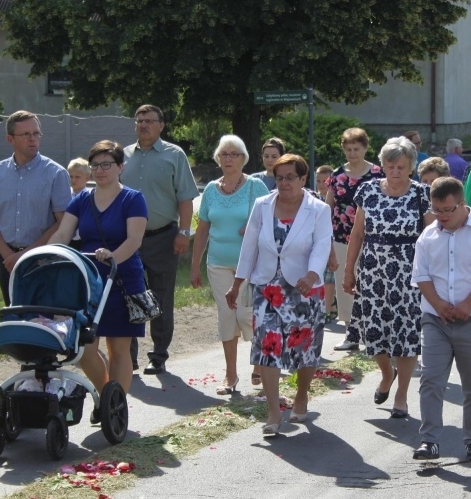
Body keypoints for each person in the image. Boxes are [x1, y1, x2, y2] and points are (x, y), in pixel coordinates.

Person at [226, 154, 331, 436]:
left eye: (290, 177)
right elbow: (249, 246)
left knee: (304, 348)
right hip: (268, 286)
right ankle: (273, 411)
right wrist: (237, 283)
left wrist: (312, 275)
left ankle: (301, 395)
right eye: (279, 178)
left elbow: (322, 245)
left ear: (303, 179)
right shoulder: (262, 205)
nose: (284, 183)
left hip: (304, 287)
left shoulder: (318, 209)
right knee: (267, 346)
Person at [48, 140, 147, 403]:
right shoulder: (81, 200)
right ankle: (108, 400)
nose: (100, 170)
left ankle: (115, 407)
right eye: (95, 165)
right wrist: (45, 255)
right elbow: (63, 234)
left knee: (119, 349)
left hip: (122, 279)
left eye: (106, 164)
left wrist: (113, 257)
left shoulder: (133, 199)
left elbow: (134, 240)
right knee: (84, 349)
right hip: (88, 281)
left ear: (120, 167)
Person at [343, 136, 433, 420]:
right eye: (390, 166)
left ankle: (401, 395)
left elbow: (432, 237)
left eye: (401, 167)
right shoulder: (368, 190)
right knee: (373, 331)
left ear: (411, 167)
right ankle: (386, 373)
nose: (395, 171)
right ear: (382, 165)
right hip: (372, 271)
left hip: (408, 273)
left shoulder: (421, 194)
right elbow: (358, 233)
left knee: (406, 334)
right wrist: (348, 270)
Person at [411, 177, 471, 462]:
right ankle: (429, 441)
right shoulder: (428, 236)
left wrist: (467, 304)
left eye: (447, 210)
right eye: (436, 210)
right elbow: (421, 275)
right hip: (436, 320)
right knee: (431, 380)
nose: (441, 216)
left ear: (462, 204)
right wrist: (439, 305)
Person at [121, 104, 198, 375]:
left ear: (161, 125)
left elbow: (185, 197)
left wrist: (184, 233)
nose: (143, 125)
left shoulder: (174, 155)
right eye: (139, 120)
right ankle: (127, 358)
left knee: (161, 297)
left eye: (149, 121)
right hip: (127, 239)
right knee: (127, 296)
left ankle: (158, 355)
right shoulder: (123, 156)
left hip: (163, 237)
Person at [190, 135, 269, 394]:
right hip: (218, 263)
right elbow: (202, 229)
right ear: (218, 158)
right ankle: (230, 375)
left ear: (243, 158)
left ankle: (259, 363)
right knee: (226, 316)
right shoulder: (211, 190)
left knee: (247, 315)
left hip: (250, 265)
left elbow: (270, 219)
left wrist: (253, 227)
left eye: (234, 154)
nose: (229, 158)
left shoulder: (255, 186)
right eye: (224, 154)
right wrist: (194, 266)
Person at [0, 111, 72, 306]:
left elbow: (63, 222)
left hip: (43, 259)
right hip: (7, 260)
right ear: (10, 139)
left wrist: (25, 254)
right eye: (26, 134)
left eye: (36, 133)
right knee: (13, 315)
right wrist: (8, 255)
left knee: (42, 318)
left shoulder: (55, 173)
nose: (32, 138)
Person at [326, 128, 384, 351]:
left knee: (370, 284)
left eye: (356, 149)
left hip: (371, 239)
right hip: (342, 236)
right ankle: (351, 333)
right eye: (348, 149)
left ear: (365, 148)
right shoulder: (338, 175)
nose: (352, 153)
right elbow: (328, 206)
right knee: (345, 284)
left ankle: (372, 333)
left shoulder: (378, 173)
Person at [315, 165, 337, 321]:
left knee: (329, 278)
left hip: (332, 240)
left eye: (325, 181)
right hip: (316, 241)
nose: (321, 184)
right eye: (318, 181)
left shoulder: (336, 200)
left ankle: (327, 311)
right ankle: (327, 306)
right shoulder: (312, 199)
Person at [67, 158, 92, 250]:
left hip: (84, 239)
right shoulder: (64, 195)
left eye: (77, 177)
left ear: (87, 178)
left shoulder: (91, 197)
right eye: (71, 176)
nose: (73, 180)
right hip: (67, 239)